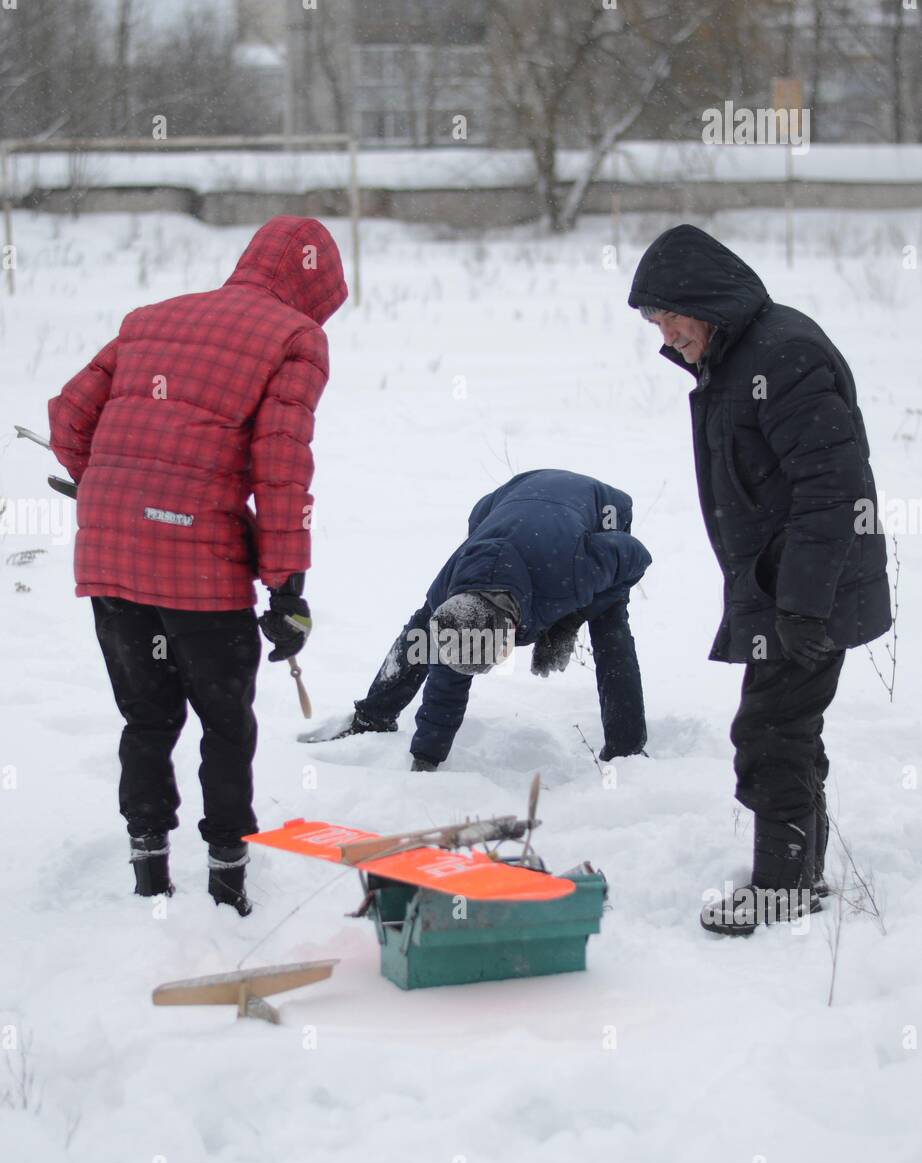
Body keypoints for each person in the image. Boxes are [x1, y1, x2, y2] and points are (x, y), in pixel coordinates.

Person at [48, 216, 348, 915]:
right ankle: (226, 884)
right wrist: (286, 587)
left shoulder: (151, 317)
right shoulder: (296, 338)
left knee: (146, 719)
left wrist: (108, 483)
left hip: (109, 552)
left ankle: (149, 875)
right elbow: (280, 466)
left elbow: (68, 418)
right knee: (225, 723)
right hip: (198, 567)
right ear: (316, 286)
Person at [628, 224, 890, 934]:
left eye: (668, 315)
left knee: (772, 732)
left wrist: (803, 604)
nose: (664, 334)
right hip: (785, 582)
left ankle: (786, 888)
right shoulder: (738, 355)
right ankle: (798, 871)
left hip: (812, 587)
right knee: (787, 729)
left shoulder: (784, 354)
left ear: (703, 299)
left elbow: (833, 492)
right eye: (653, 322)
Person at [304, 469, 651, 769]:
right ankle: (373, 716)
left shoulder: (573, 573)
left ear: (511, 631)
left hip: (602, 510)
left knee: (611, 630)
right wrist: (426, 759)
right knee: (419, 637)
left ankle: (627, 750)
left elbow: (636, 557)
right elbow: (445, 683)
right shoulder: (448, 594)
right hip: (505, 501)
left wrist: (568, 620)